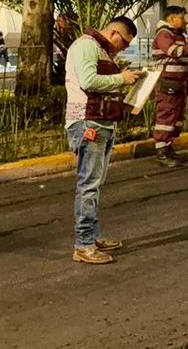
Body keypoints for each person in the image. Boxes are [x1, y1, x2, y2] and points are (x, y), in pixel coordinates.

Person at [64, 16, 142, 264]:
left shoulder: (102, 51)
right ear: (115, 33)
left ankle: (93, 237)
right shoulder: (86, 46)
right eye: (125, 43)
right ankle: (84, 245)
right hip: (89, 124)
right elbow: (88, 81)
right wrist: (122, 79)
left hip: (101, 122)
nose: (124, 48)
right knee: (88, 186)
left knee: (94, 185)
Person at [151, 6, 188, 167]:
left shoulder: (177, 35)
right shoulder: (164, 34)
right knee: (167, 116)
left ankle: (168, 147)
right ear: (172, 18)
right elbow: (174, 51)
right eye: (182, 17)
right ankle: (162, 152)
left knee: (176, 117)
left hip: (179, 83)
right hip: (168, 83)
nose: (185, 21)